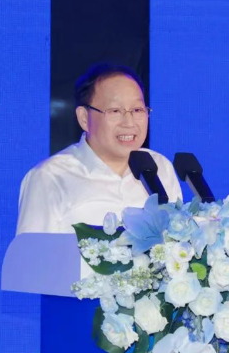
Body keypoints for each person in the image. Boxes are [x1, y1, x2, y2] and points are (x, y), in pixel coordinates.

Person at [16, 63, 182, 234]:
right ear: (84, 118)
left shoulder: (160, 167)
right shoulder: (50, 177)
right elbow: (32, 250)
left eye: (137, 109)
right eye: (115, 111)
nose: (129, 122)